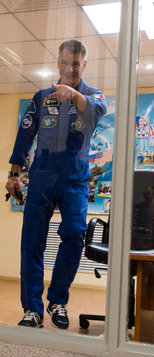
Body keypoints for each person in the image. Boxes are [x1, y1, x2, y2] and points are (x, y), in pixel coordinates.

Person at [5, 40, 107, 329]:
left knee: (75, 235)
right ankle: (32, 310)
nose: (69, 68)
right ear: (58, 63)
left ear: (83, 65)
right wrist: (14, 174)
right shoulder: (41, 97)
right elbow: (24, 136)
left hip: (74, 177)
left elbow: (95, 111)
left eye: (75, 63)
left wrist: (73, 94)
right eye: (65, 62)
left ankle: (58, 301)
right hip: (42, 176)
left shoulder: (93, 95)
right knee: (32, 242)